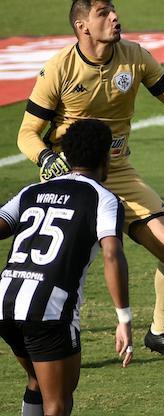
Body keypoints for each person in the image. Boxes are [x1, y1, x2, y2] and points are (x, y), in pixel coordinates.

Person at [16, 0, 164, 360]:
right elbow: (27, 133)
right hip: (72, 174)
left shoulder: (135, 56)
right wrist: (47, 159)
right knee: (56, 263)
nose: (114, 18)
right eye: (103, 14)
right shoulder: (59, 68)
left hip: (116, 170)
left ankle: (159, 330)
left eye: (114, 12)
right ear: (82, 26)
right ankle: (43, 336)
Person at [1, 119, 133, 416]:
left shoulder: (31, 191)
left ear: (66, 156)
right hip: (48, 310)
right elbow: (112, 255)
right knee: (58, 400)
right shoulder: (103, 198)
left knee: (37, 380)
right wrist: (124, 319)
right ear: (105, 158)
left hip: (5, 302)